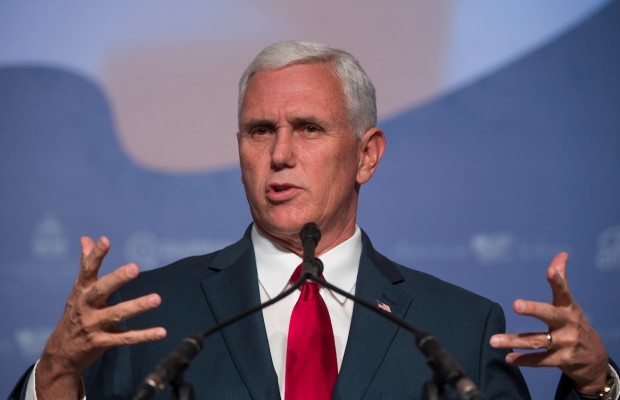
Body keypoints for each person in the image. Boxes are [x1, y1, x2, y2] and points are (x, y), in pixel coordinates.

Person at [9, 40, 617, 400]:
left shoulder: (457, 327)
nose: (279, 154)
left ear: (367, 155)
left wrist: (598, 385)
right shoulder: (147, 316)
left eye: (308, 128)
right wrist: (57, 371)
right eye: (259, 131)